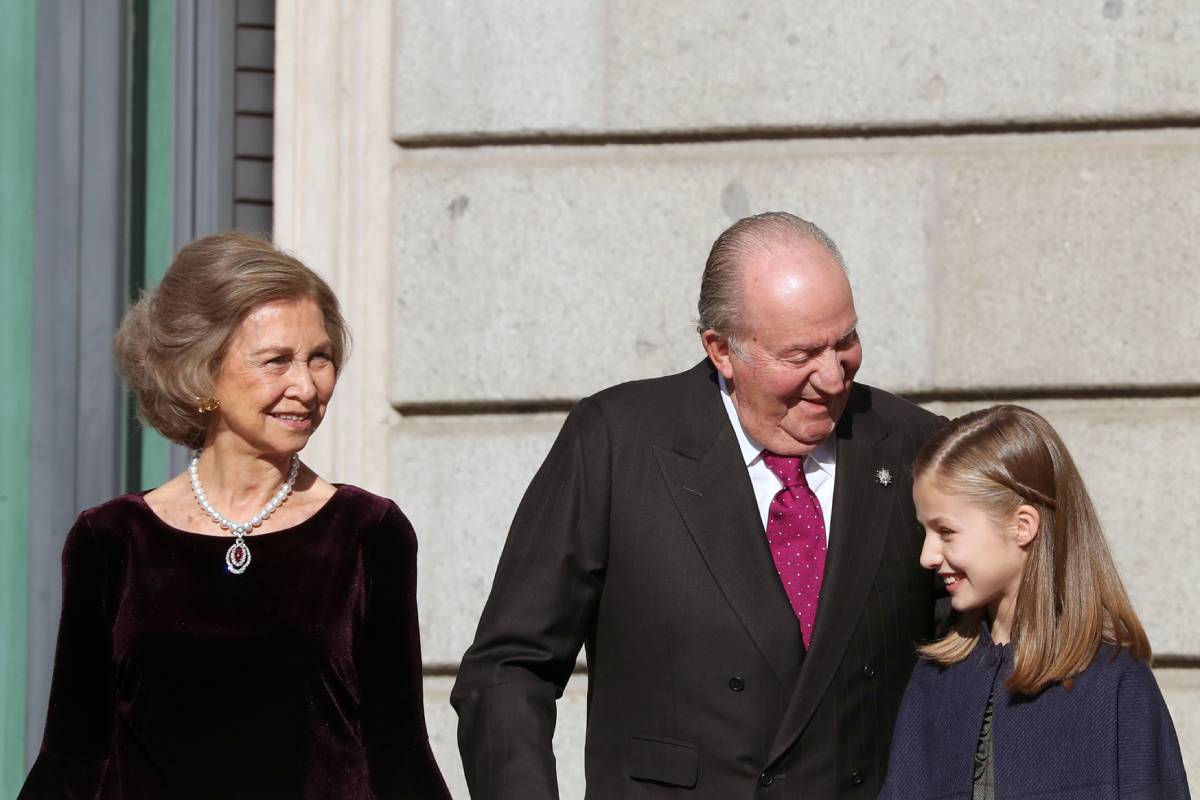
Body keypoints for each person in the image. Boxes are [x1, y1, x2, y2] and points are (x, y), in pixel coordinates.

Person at [452, 212, 946, 798]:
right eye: (801, 355)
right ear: (721, 350)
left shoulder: (917, 446)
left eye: (846, 341)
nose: (834, 377)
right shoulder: (619, 442)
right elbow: (509, 669)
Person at [20, 233, 452, 799]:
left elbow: (399, 752)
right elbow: (73, 756)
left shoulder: (369, 533)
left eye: (319, 358)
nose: (306, 385)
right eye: (277, 361)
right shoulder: (109, 541)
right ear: (202, 374)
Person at [880, 405, 1190, 799]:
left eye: (946, 531)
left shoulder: (1114, 684)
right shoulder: (936, 678)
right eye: (925, 531)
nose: (927, 555)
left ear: (1022, 526)